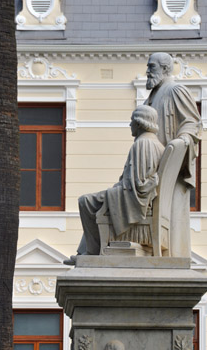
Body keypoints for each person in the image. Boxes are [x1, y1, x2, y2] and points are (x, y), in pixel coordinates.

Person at [68, 105, 164, 259]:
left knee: (85, 201)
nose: (130, 125)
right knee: (94, 201)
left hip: (134, 200)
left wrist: (113, 191)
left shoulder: (142, 144)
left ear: (139, 123)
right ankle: (87, 251)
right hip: (133, 194)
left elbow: (138, 184)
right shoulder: (155, 144)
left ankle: (92, 251)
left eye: (132, 121)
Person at [144, 52, 202, 257]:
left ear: (165, 69)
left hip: (170, 167)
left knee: (173, 213)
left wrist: (182, 141)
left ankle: (173, 255)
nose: (147, 71)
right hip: (148, 167)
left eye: (151, 67)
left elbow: (191, 122)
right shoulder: (152, 96)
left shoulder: (175, 90)